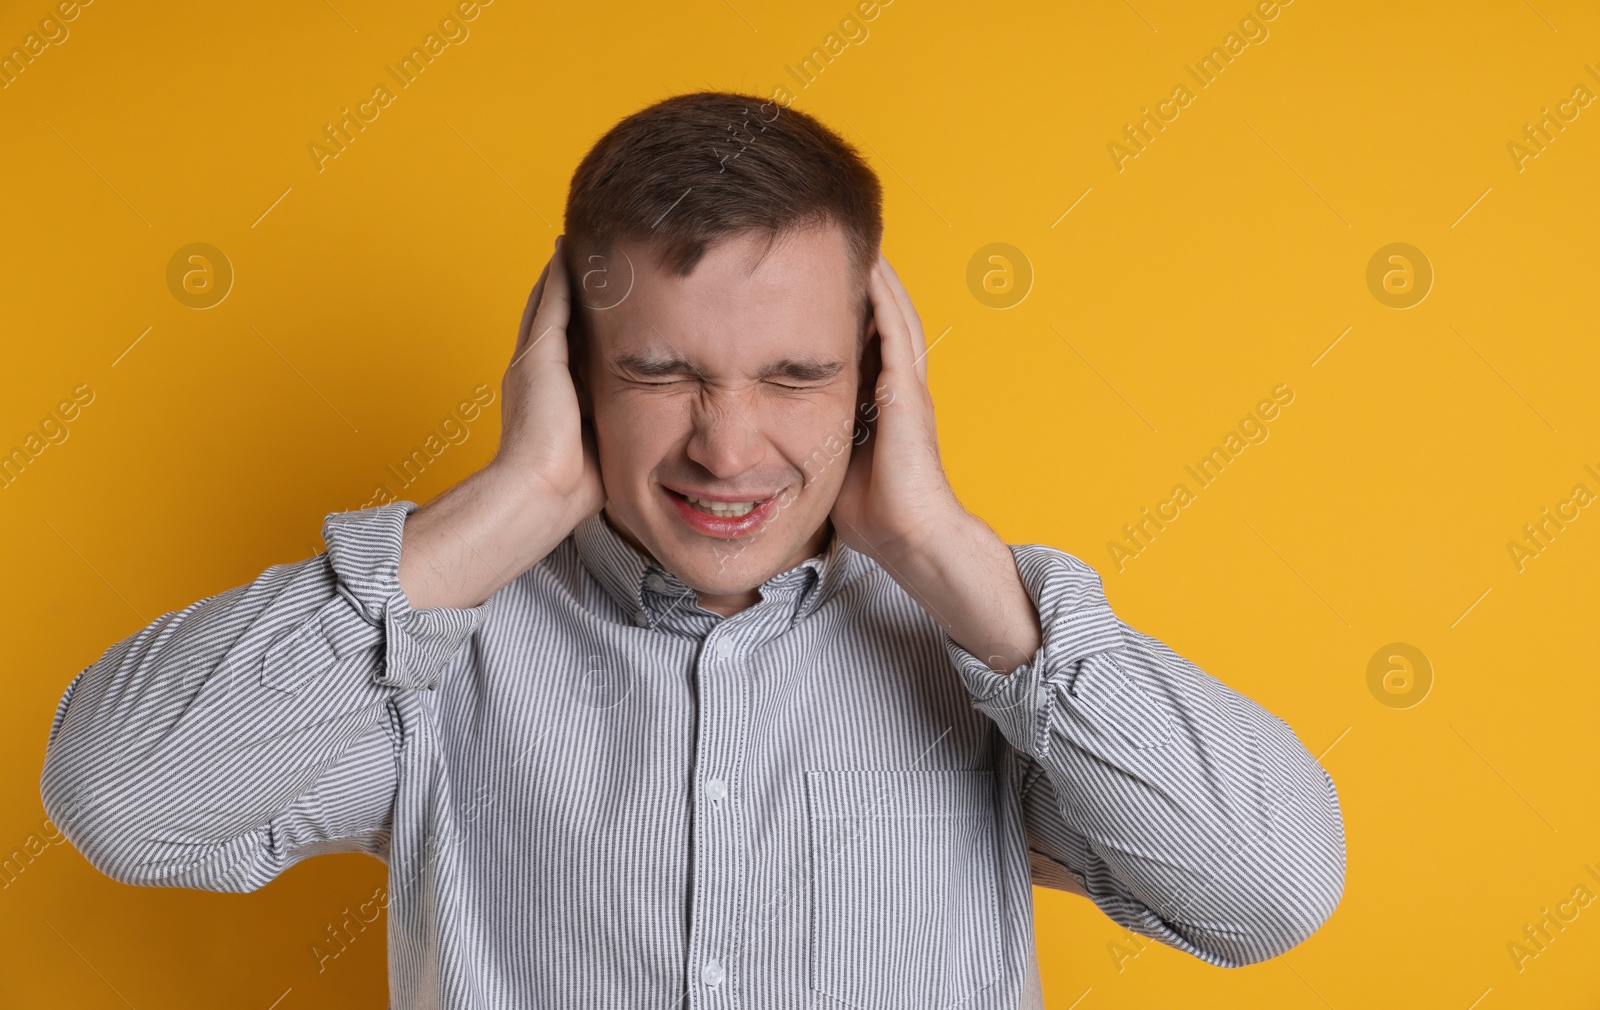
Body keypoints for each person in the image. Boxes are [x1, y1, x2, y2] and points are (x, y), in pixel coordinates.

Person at [40, 91, 1345, 1009]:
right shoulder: (431, 658)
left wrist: (943, 547)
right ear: (571, 372)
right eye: (663, 373)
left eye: (795, 375)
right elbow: (119, 797)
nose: (728, 449)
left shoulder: (982, 657)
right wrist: (513, 498)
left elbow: (1272, 892)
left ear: (876, 381)